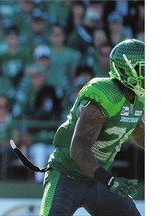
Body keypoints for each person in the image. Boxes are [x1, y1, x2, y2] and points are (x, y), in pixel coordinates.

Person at [11, 38, 144, 215]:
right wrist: (110, 180)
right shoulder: (105, 94)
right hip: (67, 176)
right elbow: (78, 149)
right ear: (125, 69)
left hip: (97, 178)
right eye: (143, 69)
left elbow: (138, 131)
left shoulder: (139, 99)